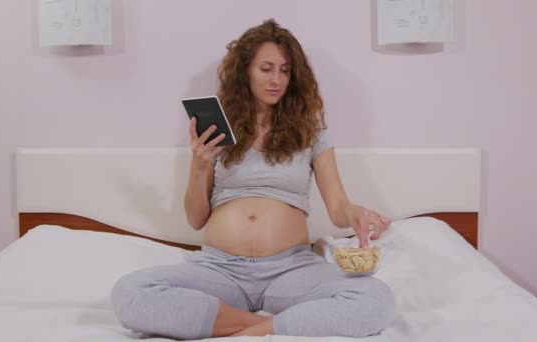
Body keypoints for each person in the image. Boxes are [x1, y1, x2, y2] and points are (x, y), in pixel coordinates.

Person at [111, 19, 395, 339]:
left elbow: (338, 205)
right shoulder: (218, 129)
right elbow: (195, 219)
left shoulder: (310, 131)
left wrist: (356, 213)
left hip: (291, 270)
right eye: (266, 69)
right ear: (245, 71)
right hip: (220, 269)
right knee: (130, 292)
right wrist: (199, 165)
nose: (277, 80)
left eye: (285, 71)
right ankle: (263, 326)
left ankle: (250, 327)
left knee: (376, 299)